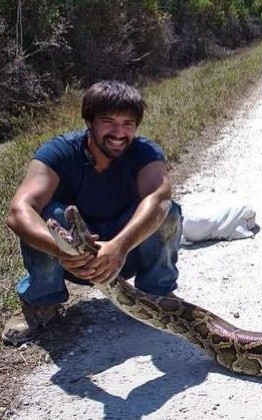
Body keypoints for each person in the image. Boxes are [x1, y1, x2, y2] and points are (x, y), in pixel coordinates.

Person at [2, 81, 182, 345]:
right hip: (68, 259)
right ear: (89, 121)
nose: (119, 132)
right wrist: (61, 249)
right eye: (108, 122)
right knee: (50, 215)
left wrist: (119, 246)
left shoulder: (145, 152)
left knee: (168, 212)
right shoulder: (60, 152)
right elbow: (19, 212)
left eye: (128, 123)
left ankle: (158, 295)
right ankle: (40, 302)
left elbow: (159, 200)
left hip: (124, 254)